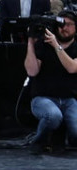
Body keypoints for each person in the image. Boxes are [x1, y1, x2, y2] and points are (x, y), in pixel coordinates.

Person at [24, 8, 77, 154]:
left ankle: (63, 137)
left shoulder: (72, 47)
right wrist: (31, 42)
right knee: (53, 116)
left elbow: (72, 68)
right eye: (61, 24)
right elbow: (32, 71)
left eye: (69, 24)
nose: (64, 28)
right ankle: (39, 142)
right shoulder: (44, 44)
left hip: (69, 99)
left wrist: (56, 46)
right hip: (43, 97)